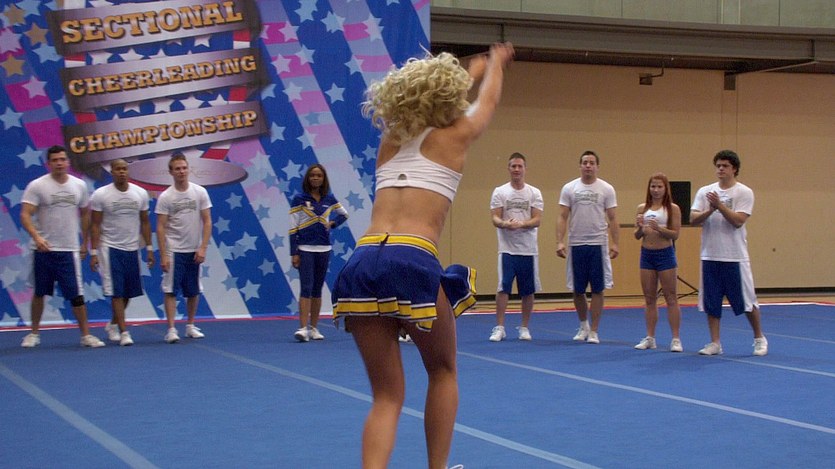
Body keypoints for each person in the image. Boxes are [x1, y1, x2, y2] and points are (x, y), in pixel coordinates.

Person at [331, 43, 514, 469]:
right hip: (411, 257)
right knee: (442, 370)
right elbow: (487, 103)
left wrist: (467, 73)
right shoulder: (456, 135)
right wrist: (494, 66)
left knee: (386, 395)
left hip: (363, 260)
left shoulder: (390, 142)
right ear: (448, 96)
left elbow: (433, 103)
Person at [19, 145, 105, 348]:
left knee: (76, 295)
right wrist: (37, 237)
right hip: (44, 250)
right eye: (55, 160)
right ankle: (33, 334)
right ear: (48, 163)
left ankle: (86, 335)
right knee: (40, 292)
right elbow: (25, 214)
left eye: (62, 159)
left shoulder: (79, 185)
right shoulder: (37, 186)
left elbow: (85, 214)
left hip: (69, 249)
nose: (59, 163)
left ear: (68, 162)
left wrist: (85, 242)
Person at [690, 150, 767, 356]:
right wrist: (710, 209)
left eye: (725, 166)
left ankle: (759, 337)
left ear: (734, 169)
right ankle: (715, 342)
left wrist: (720, 206)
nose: (720, 169)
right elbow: (693, 219)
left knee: (747, 301)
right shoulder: (705, 191)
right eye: (718, 166)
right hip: (710, 254)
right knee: (711, 302)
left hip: (735, 256)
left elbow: (738, 221)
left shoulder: (744, 192)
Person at [555, 150, 619, 344]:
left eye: (592, 163)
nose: (588, 166)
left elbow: (613, 218)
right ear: (580, 166)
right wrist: (559, 241)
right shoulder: (569, 188)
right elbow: (562, 216)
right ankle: (584, 325)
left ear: (597, 166)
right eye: (585, 162)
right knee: (578, 289)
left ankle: (594, 331)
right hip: (576, 244)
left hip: (598, 243)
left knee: (598, 289)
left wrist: (616, 243)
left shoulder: (606, 189)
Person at [90, 159, 155, 346]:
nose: (121, 172)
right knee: (116, 292)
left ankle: (112, 324)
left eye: (124, 169)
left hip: (132, 248)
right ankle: (124, 331)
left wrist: (149, 249)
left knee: (128, 293)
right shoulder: (101, 195)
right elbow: (95, 225)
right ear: (112, 172)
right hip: (110, 248)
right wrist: (93, 252)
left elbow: (145, 222)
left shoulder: (140, 193)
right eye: (118, 169)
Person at [155, 153, 212, 344]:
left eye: (184, 168)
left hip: (194, 249)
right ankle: (171, 329)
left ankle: (190, 325)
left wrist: (203, 248)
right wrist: (163, 255)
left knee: (193, 290)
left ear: (189, 169)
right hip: (174, 250)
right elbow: (160, 227)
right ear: (171, 172)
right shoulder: (166, 197)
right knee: (171, 290)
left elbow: (207, 221)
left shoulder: (200, 192)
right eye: (177, 169)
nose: (181, 171)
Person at [289, 163, 349, 342]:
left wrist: (333, 224)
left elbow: (344, 214)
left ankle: (314, 328)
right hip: (305, 249)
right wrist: (294, 252)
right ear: (308, 178)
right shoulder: (299, 199)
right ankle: (302, 328)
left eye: (319, 175)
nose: (315, 178)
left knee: (317, 288)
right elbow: (293, 228)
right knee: (306, 287)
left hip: (324, 248)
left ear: (324, 179)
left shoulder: (329, 199)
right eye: (312, 175)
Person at [488, 152, 543, 342]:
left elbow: (537, 219)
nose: (517, 169)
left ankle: (524, 327)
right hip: (507, 249)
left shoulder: (534, 193)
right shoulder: (500, 192)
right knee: (503, 288)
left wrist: (521, 224)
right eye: (513, 166)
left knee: (527, 290)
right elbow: (495, 217)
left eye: (520, 166)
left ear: (525, 169)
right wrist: (505, 224)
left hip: (528, 249)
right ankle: (500, 327)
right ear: (509, 168)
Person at [633, 173, 683, 352]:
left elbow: (675, 234)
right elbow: (637, 235)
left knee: (671, 297)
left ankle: (675, 338)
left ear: (665, 189)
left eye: (659, 187)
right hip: (647, 254)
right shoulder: (642, 208)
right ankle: (650, 337)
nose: (655, 190)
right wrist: (641, 228)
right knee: (649, 298)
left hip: (665, 254)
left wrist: (659, 229)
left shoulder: (672, 209)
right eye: (653, 186)